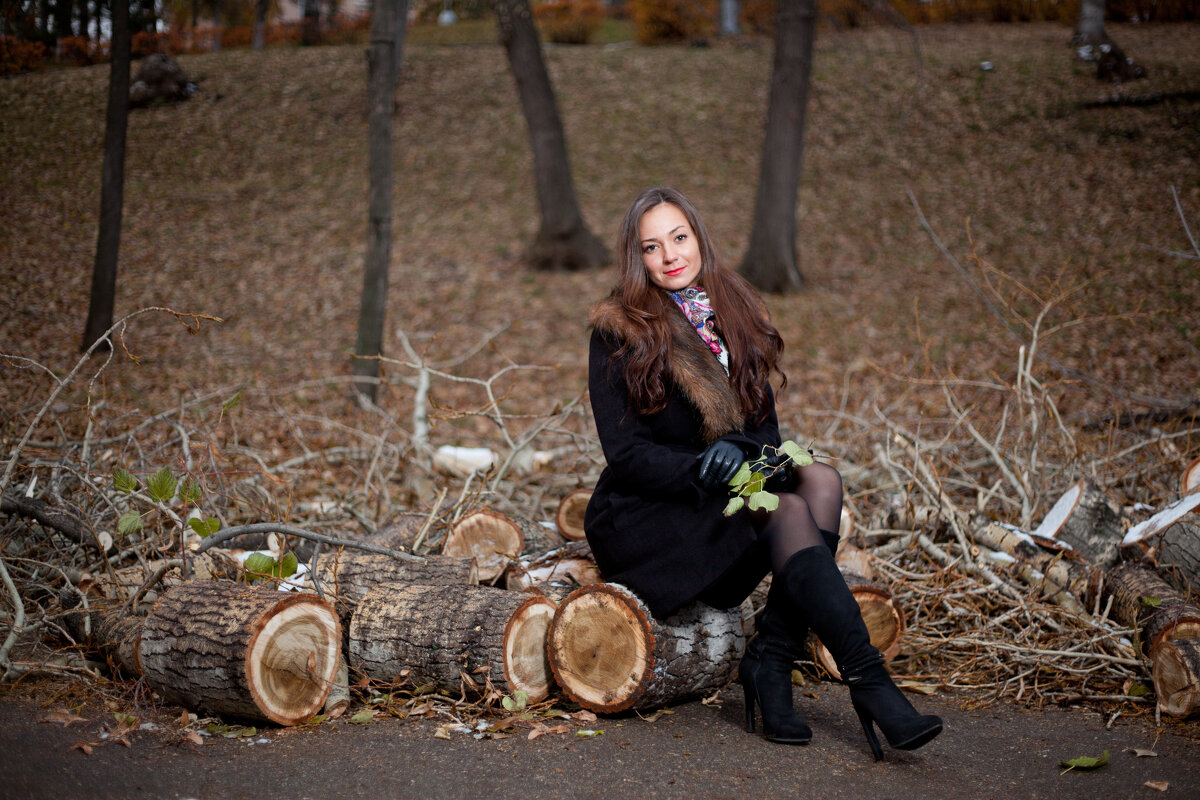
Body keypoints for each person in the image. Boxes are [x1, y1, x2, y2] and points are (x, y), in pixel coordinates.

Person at [584, 187, 942, 760]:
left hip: (724, 506)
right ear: (637, 257)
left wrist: (739, 449)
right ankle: (858, 681)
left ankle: (773, 662)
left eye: (679, 237)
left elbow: (767, 439)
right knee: (790, 506)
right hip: (650, 519)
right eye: (652, 247)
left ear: (699, 237)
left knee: (819, 480)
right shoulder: (618, 330)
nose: (671, 255)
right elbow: (625, 455)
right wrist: (703, 464)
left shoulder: (736, 312)